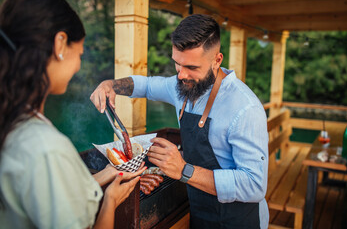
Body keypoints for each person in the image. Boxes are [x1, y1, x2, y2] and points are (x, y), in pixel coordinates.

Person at [91, 14, 269, 228]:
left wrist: (184, 169)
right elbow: (145, 86)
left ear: (217, 60)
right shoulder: (182, 86)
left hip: (238, 220)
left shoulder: (245, 108)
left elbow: (254, 185)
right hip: (199, 210)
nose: (182, 75)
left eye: (192, 68)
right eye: (177, 64)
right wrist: (110, 85)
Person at [0, 0, 145, 228]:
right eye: (79, 52)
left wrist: (107, 174)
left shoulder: (12, 121)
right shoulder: (47, 148)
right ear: (60, 44)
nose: (79, 65)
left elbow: (47, 187)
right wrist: (110, 200)